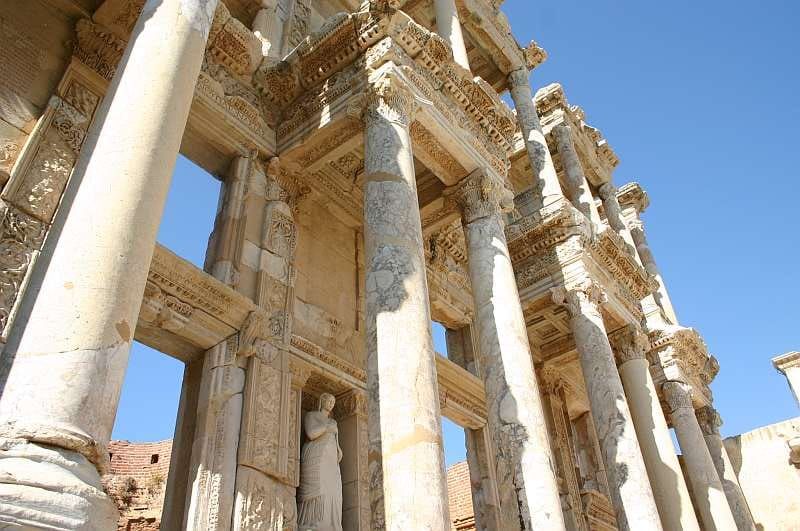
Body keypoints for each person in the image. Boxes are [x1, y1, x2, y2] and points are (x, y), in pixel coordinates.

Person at [298, 393, 343, 531]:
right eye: (328, 400)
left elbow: (337, 445)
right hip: (315, 457)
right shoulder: (312, 415)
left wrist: (339, 452)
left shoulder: (333, 422)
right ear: (322, 401)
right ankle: (312, 522)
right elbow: (311, 433)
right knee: (319, 488)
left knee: (333, 491)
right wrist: (327, 427)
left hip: (331, 461)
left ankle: (331, 525)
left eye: (333, 402)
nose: (331, 403)